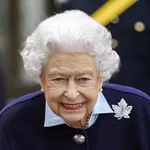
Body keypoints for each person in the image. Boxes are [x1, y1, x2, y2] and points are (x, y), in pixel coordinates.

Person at [0, 10, 150, 150]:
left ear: (99, 79)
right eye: (59, 79)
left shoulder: (140, 111)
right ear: (42, 80)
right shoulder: (12, 122)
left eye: (83, 79)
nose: (71, 94)